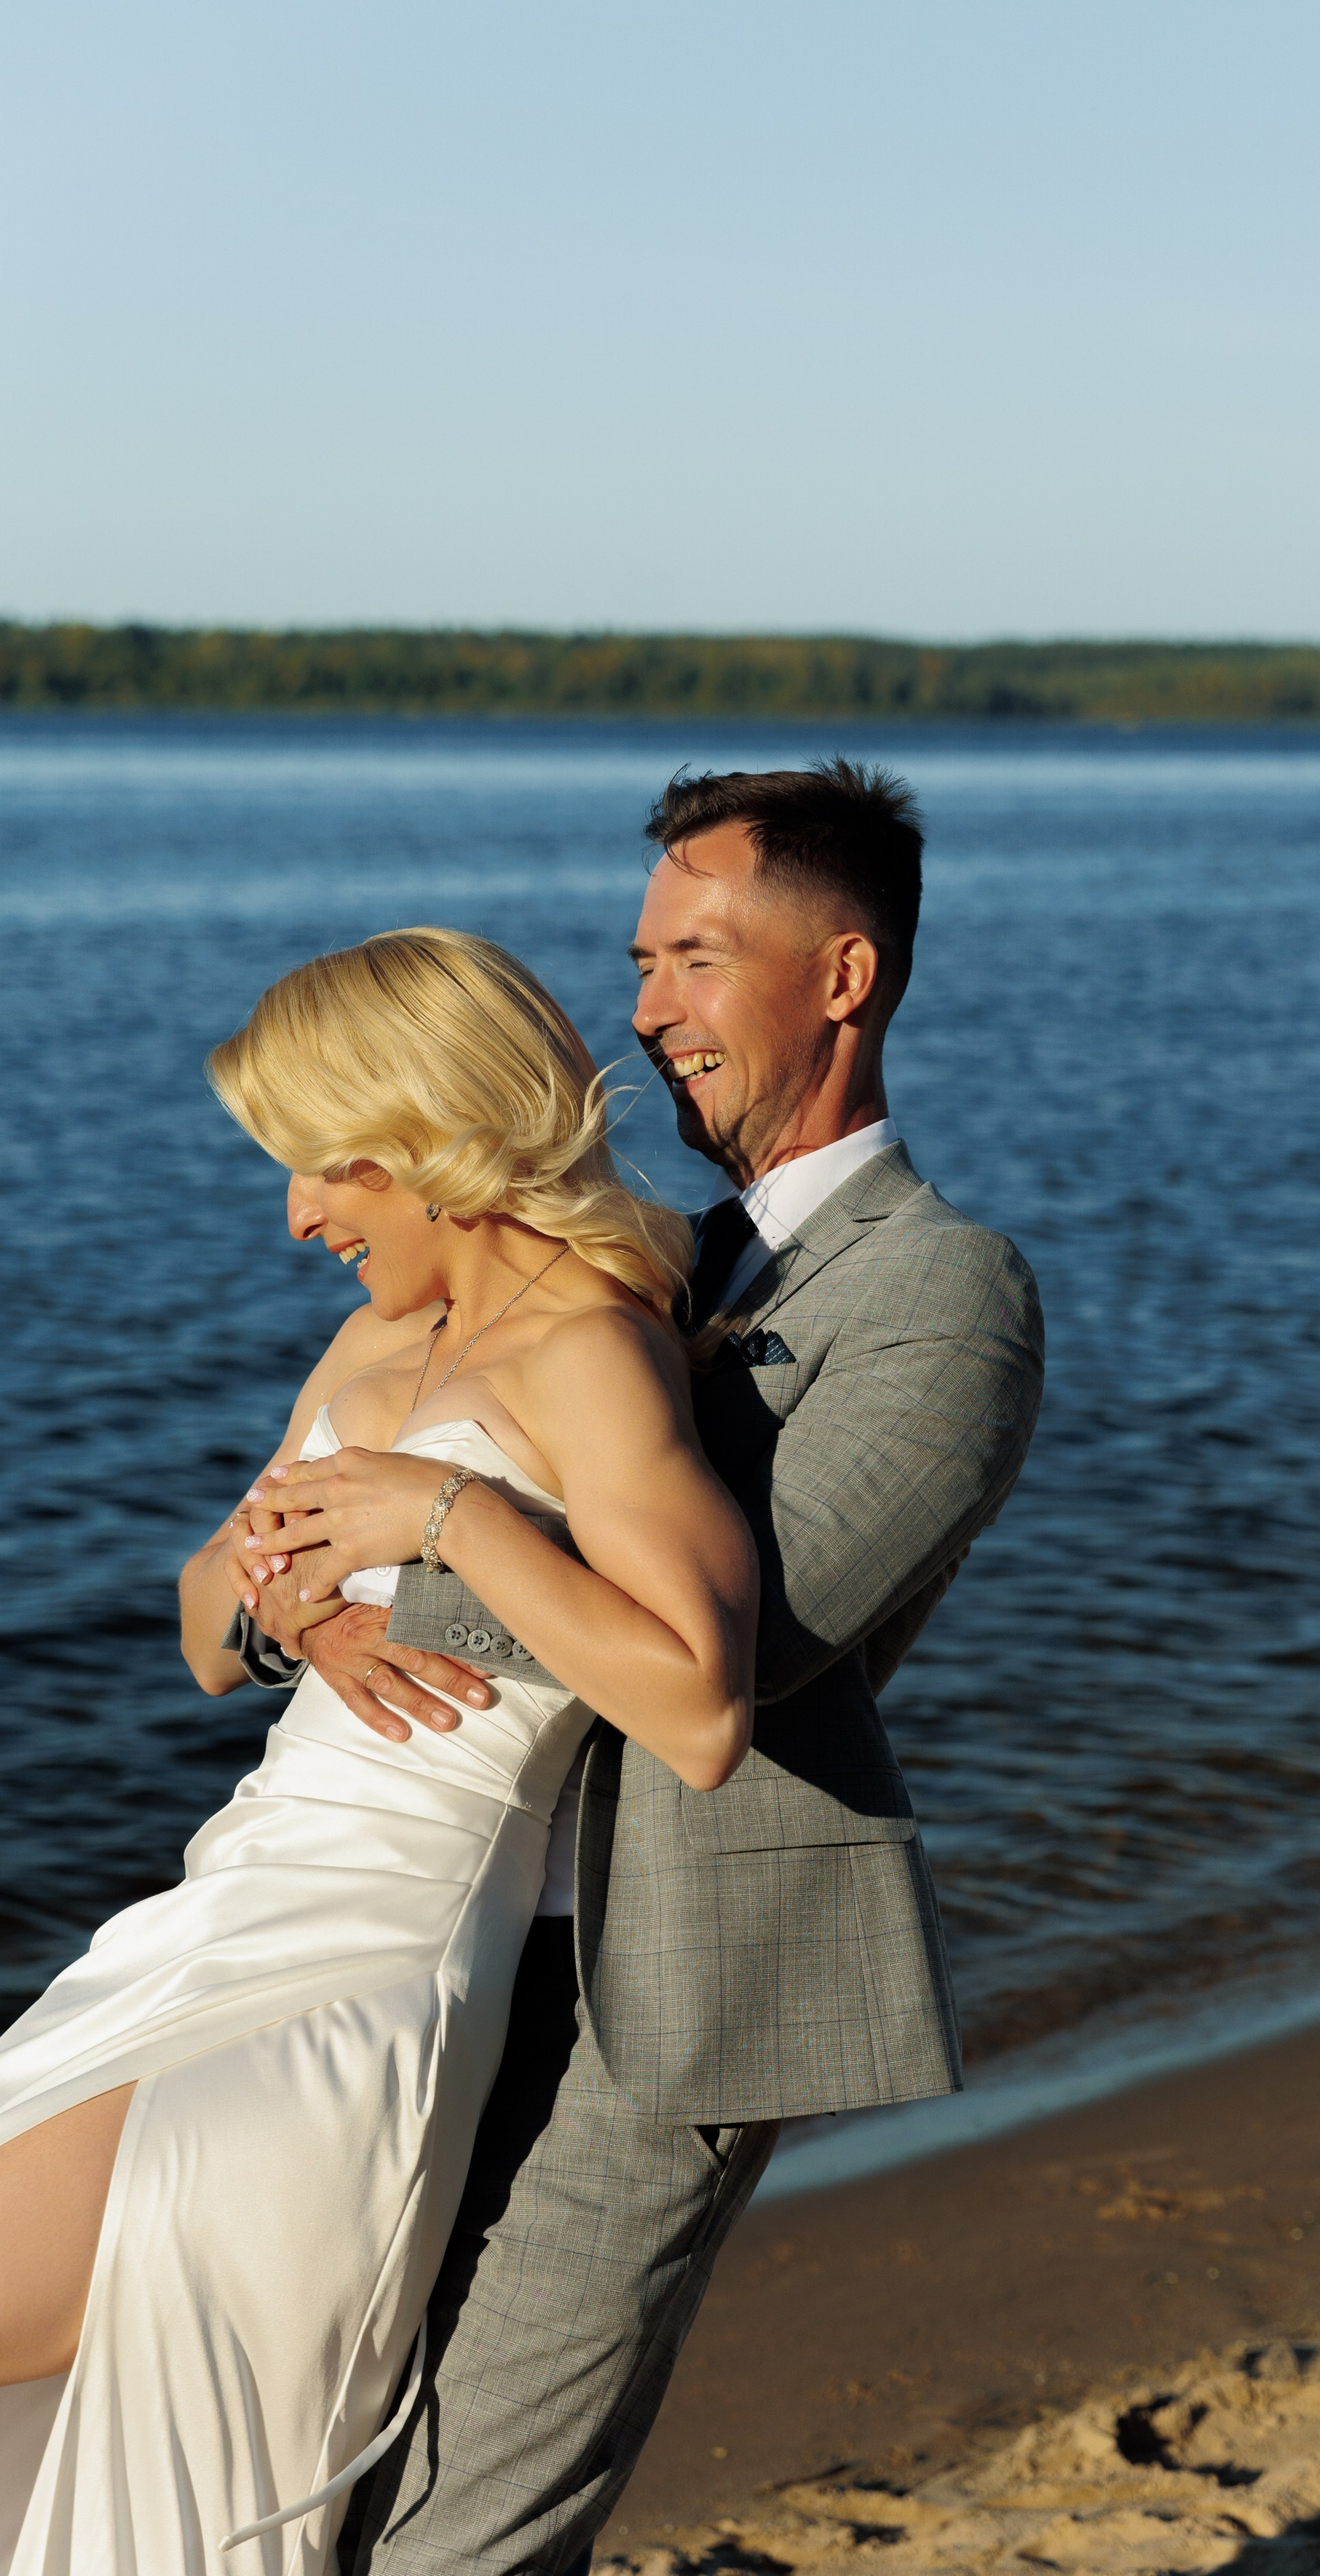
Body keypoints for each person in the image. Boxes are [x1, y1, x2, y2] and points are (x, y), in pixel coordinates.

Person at [251, 759, 1046, 2572]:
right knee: (321, 2458)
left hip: (659, 1982)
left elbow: (745, 1644)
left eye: (693, 959)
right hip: (429, 1936)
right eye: (637, 963)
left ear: (840, 980)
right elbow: (298, 1525)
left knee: (471, 2518)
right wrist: (296, 1588)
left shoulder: (944, 1293)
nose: (642, 1011)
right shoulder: (639, 1262)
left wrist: (418, 1531)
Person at [0, 928, 759, 2575]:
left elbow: (700, 1704)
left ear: (434, 1136)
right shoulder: (366, 1355)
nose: (297, 1218)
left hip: (366, 1964)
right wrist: (296, 1614)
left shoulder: (590, 1352)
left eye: (320, 1168)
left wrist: (449, 1515)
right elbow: (205, 1623)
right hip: (219, 1911)